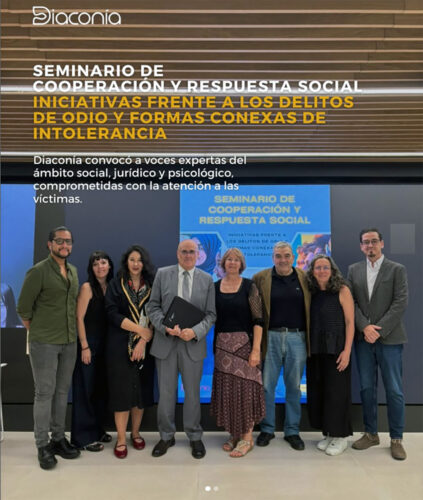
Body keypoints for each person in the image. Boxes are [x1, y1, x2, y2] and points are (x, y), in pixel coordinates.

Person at [17, 226, 80, 470]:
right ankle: (42, 445)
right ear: (49, 244)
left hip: (69, 341)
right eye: (59, 241)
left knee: (62, 392)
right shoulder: (38, 271)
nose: (64, 245)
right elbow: (23, 309)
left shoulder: (73, 271)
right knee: (44, 393)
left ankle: (58, 439)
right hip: (44, 343)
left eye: (68, 241)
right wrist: (40, 332)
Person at [147, 239, 216, 459]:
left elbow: (211, 315)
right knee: (166, 394)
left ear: (197, 255)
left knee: (193, 394)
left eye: (192, 252)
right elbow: (152, 306)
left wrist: (194, 332)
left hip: (192, 345)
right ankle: (166, 436)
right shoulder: (162, 274)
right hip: (166, 343)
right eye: (184, 251)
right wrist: (165, 327)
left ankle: (194, 436)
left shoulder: (207, 279)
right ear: (178, 254)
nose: (188, 255)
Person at [347, 228, 408, 461]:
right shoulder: (354, 270)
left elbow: (400, 302)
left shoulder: (397, 269)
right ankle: (371, 434)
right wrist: (365, 327)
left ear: (382, 243)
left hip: (390, 339)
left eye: (374, 241)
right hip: (364, 339)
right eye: (366, 242)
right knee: (366, 388)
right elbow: (351, 302)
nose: (370, 246)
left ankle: (396, 439)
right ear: (361, 246)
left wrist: (378, 329)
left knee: (394, 390)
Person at [253, 241, 310, 451]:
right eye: (278, 256)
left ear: (293, 257)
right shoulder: (260, 278)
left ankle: (292, 431)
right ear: (273, 258)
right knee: (267, 386)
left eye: (286, 255)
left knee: (294, 386)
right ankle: (267, 429)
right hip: (271, 338)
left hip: (297, 338)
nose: (283, 260)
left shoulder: (305, 278)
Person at [210, 248, 265, 457]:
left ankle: (247, 438)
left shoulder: (250, 286)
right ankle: (234, 434)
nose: (232, 262)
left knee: (245, 391)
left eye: (236, 260)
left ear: (242, 264)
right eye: (229, 259)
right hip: (222, 347)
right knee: (229, 391)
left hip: (245, 346)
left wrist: (256, 349)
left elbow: (258, 320)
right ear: (223, 263)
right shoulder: (214, 288)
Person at [105, 245, 155, 459]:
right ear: (126, 262)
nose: (136, 264)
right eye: (132, 259)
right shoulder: (116, 284)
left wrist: (143, 340)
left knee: (140, 392)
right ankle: (121, 438)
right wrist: (139, 330)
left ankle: (135, 433)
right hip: (119, 346)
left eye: (140, 260)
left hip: (145, 347)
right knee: (122, 393)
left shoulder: (151, 285)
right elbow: (111, 313)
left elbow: (155, 313)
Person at [306, 255, 354, 456]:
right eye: (318, 267)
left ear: (332, 270)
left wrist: (347, 351)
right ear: (312, 271)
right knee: (320, 392)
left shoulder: (342, 290)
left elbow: (350, 322)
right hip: (316, 349)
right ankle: (328, 433)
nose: (322, 271)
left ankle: (340, 436)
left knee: (337, 393)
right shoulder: (311, 292)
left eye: (325, 267)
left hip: (337, 350)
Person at [71, 251, 114, 452]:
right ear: (91, 268)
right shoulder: (87, 288)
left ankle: (96, 431)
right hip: (89, 345)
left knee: (99, 391)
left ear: (109, 265)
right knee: (85, 391)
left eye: (103, 262)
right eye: (96, 264)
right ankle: (82, 438)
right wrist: (85, 346)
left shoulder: (112, 288)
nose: (100, 267)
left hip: (106, 346)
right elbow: (79, 318)